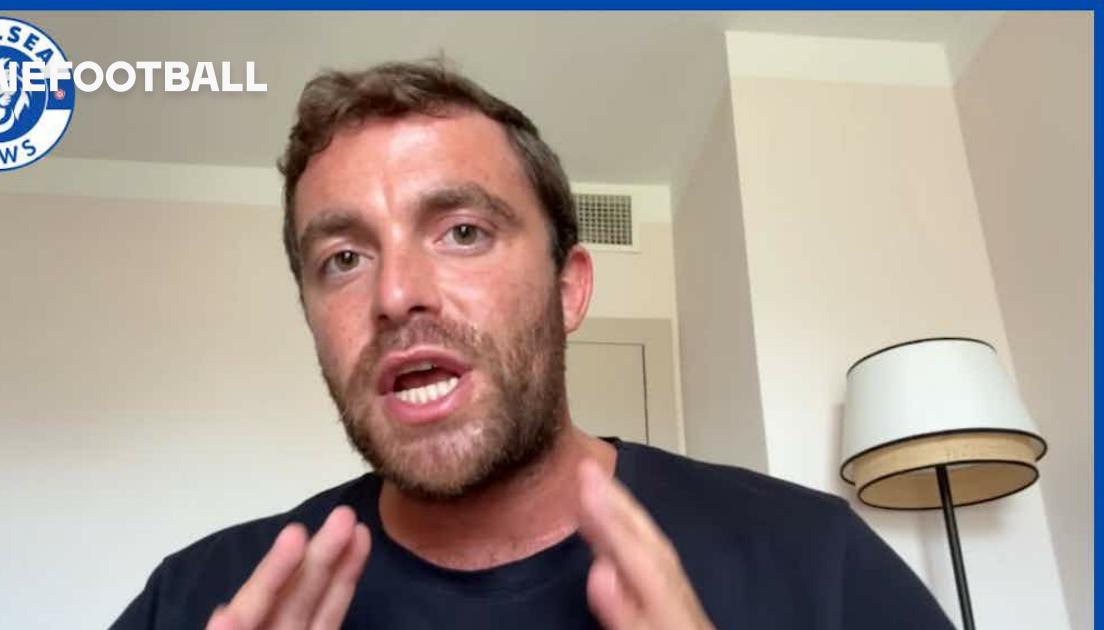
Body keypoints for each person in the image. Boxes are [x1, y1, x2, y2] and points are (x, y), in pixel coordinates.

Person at [112, 59, 954, 630]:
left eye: (463, 232)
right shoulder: (199, 599)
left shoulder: (812, 562)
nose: (396, 293)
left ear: (568, 287)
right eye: (343, 258)